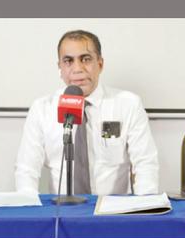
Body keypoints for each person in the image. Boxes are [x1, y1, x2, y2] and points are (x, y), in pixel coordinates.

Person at [15, 30, 159, 195]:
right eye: (68, 61)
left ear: (100, 63)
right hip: (61, 213)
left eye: (86, 59)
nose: (78, 69)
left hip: (112, 213)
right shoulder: (42, 108)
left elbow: (145, 163)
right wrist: (29, 212)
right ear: (60, 68)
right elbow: (27, 169)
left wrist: (145, 209)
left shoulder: (128, 104)